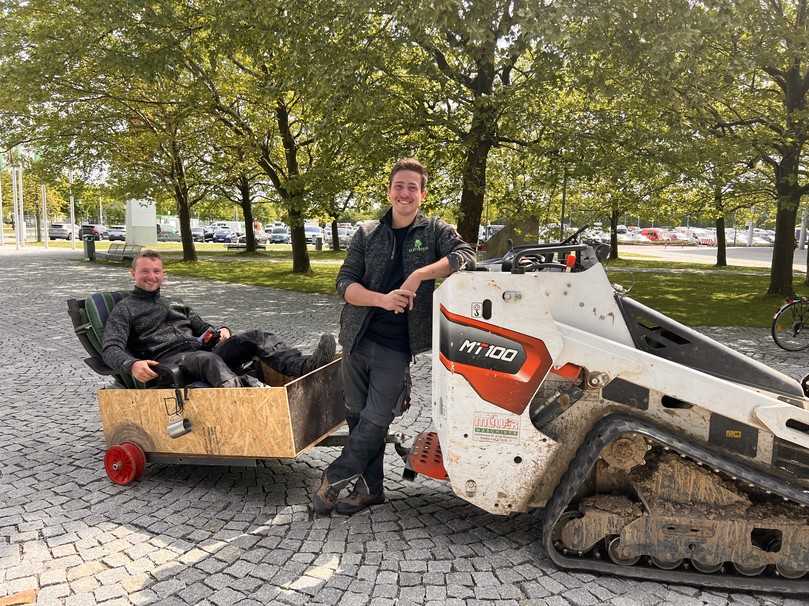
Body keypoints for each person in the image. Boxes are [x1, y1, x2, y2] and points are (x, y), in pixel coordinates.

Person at [313, 158, 475, 515]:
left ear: (422, 194)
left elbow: (466, 256)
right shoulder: (366, 233)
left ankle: (335, 476)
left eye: (412, 188)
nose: (405, 193)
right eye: (399, 186)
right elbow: (345, 284)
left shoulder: (433, 231)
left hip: (396, 346)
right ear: (390, 191)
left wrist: (420, 275)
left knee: (377, 417)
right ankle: (371, 490)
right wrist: (381, 300)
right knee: (357, 415)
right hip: (356, 338)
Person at [102, 250, 336, 387]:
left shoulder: (175, 304)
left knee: (255, 336)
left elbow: (204, 327)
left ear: (163, 274)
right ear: (133, 274)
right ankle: (249, 402)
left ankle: (305, 366)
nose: (151, 277)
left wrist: (221, 330)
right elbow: (111, 348)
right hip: (168, 362)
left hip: (200, 351)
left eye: (156, 271)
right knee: (207, 360)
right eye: (144, 271)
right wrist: (131, 364)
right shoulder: (125, 309)